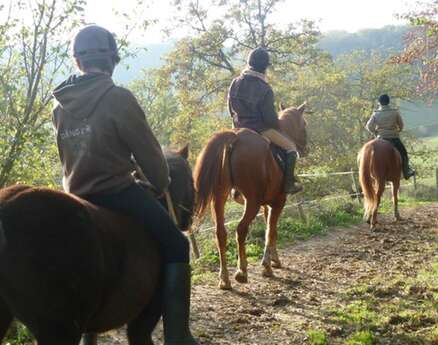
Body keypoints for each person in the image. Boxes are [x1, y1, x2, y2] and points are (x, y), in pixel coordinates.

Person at [52, 25, 200, 345]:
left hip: (75, 195)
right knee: (177, 244)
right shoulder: (118, 98)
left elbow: (67, 157)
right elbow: (154, 166)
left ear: (77, 61)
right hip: (118, 193)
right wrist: (160, 182)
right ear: (112, 60)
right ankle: (177, 334)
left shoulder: (59, 106)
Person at [227, 47, 303, 194]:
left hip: (237, 127)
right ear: (265, 67)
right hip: (260, 128)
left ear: (249, 62)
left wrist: (237, 123)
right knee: (291, 147)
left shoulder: (235, 82)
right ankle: (289, 184)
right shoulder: (265, 88)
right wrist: (278, 126)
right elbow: (269, 118)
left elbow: (230, 107)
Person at [366, 94, 415, 179]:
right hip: (394, 138)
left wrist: (375, 132)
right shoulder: (394, 112)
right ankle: (406, 171)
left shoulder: (376, 113)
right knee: (403, 153)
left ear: (379, 103)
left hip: (381, 138)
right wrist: (397, 131)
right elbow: (401, 125)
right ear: (388, 102)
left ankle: (369, 172)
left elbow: (369, 126)